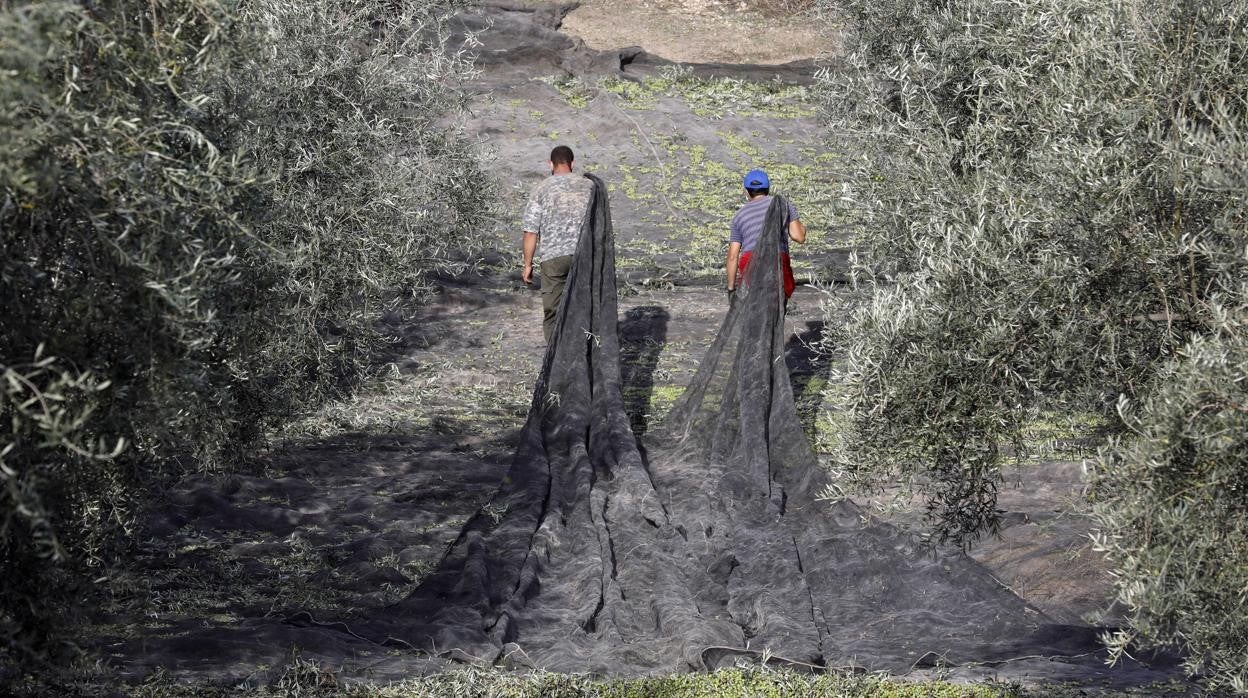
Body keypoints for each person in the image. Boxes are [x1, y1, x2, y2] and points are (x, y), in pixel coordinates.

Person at [521, 145, 594, 344]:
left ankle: (556, 358)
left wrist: (528, 265)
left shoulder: (542, 188)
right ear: (573, 163)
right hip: (584, 255)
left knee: (553, 311)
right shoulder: (589, 187)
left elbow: (530, 232)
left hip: (553, 258)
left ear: (550, 164)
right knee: (582, 307)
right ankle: (582, 352)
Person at [725, 168, 806, 299]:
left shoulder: (739, 216)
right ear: (768, 189)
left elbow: (732, 257)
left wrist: (730, 289)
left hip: (751, 263)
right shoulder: (782, 204)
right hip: (777, 260)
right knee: (779, 302)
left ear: (747, 192)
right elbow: (799, 237)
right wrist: (802, 227)